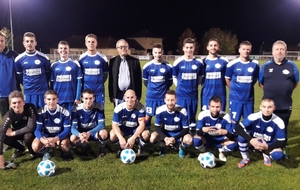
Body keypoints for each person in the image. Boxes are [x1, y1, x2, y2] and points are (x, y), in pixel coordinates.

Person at [259, 40, 299, 157]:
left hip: (284, 104)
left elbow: (296, 82)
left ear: (285, 52)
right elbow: (261, 83)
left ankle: (282, 146)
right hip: (268, 106)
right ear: (272, 52)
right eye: (277, 49)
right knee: (266, 126)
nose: (279, 51)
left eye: (282, 49)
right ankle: (265, 148)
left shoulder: (292, 66)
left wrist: (285, 91)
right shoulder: (265, 66)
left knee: (283, 127)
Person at [235, 98, 286, 168]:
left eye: (269, 107)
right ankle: (245, 158)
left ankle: (266, 155)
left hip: (268, 143)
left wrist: (268, 147)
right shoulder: (254, 116)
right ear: (260, 107)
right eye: (264, 107)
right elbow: (238, 128)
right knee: (241, 137)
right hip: (254, 141)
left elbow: (282, 141)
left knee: (278, 155)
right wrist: (251, 140)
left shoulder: (279, 122)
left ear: (274, 108)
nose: (267, 110)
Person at [225, 40, 260, 129]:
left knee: (248, 121)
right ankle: (233, 139)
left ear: (250, 50)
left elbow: (255, 79)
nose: (246, 51)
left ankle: (245, 141)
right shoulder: (232, 64)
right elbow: (227, 78)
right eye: (244, 49)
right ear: (239, 50)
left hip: (249, 99)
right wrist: (233, 88)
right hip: (235, 98)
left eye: (248, 49)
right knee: (234, 121)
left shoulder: (255, 64)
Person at [172, 38, 204, 133]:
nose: (189, 50)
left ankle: (192, 136)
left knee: (192, 116)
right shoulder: (178, 62)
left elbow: (200, 77)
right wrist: (180, 87)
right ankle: (180, 137)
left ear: (194, 48)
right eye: (187, 47)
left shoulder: (199, 63)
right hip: (181, 95)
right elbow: (174, 77)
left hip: (193, 95)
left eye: (191, 47)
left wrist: (193, 86)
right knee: (180, 116)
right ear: (183, 48)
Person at [150, 90, 192, 158]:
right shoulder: (160, 110)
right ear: (165, 100)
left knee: (189, 140)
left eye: (172, 100)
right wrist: (165, 138)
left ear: (176, 100)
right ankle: (163, 145)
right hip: (165, 134)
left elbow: (186, 128)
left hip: (178, 134)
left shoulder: (182, 110)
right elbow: (157, 127)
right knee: (152, 138)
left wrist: (174, 138)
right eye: (168, 100)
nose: (170, 103)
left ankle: (181, 147)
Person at [193, 95, 237, 162]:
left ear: (221, 107)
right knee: (196, 140)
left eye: (217, 107)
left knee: (234, 144)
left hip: (221, 141)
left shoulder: (226, 116)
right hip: (207, 139)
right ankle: (204, 151)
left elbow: (232, 136)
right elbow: (198, 132)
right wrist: (203, 130)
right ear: (209, 107)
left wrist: (225, 132)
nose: (215, 109)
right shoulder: (203, 114)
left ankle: (222, 151)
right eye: (213, 107)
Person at [0, 91, 36, 169]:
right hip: (18, 132)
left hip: (31, 133)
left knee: (28, 136)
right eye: (14, 103)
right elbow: (1, 135)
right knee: (4, 135)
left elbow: (30, 127)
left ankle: (33, 152)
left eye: (19, 102)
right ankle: (21, 148)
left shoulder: (30, 108)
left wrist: (13, 133)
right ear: (10, 105)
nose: (17, 105)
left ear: (24, 102)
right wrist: (0, 155)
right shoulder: (9, 115)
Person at [15, 32, 51, 110]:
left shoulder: (44, 58)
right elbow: (19, 76)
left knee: (43, 114)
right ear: (23, 43)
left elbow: (48, 74)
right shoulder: (19, 59)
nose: (29, 43)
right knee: (31, 115)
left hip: (42, 92)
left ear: (35, 43)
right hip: (28, 92)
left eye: (32, 41)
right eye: (27, 41)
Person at [32, 90, 72, 160]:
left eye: (54, 99)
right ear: (45, 101)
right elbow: (37, 130)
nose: (51, 102)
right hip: (46, 136)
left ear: (57, 100)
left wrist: (56, 139)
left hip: (59, 136)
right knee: (35, 147)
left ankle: (63, 151)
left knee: (64, 146)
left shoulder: (64, 112)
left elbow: (67, 130)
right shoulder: (40, 112)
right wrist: (43, 139)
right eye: (49, 99)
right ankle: (47, 150)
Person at [110, 89, 149, 156]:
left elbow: (142, 125)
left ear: (136, 98)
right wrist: (120, 138)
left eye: (132, 97)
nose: (130, 100)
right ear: (124, 98)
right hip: (124, 128)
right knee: (112, 135)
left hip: (135, 129)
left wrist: (133, 137)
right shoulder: (118, 108)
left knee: (146, 134)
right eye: (128, 97)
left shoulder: (141, 108)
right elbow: (114, 124)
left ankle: (140, 146)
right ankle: (122, 146)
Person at [143, 43, 173, 129]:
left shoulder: (169, 67)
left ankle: (163, 137)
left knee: (164, 117)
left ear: (162, 52)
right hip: (151, 97)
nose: (158, 55)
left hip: (163, 98)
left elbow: (170, 82)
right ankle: (146, 135)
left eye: (159, 52)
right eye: (155, 52)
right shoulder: (147, 67)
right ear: (152, 52)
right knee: (148, 117)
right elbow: (145, 82)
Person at [71, 89, 108, 157]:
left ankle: (101, 149)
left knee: (104, 133)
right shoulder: (76, 109)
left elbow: (101, 125)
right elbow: (73, 128)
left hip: (94, 133)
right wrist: (80, 135)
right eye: (86, 98)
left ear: (94, 98)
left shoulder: (99, 106)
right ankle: (83, 146)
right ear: (82, 99)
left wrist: (89, 133)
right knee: (72, 138)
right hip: (82, 134)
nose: (88, 101)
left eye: (90, 98)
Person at [50, 41, 82, 113]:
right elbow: (51, 85)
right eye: (61, 48)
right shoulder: (54, 66)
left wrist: (77, 97)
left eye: (65, 48)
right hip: (58, 100)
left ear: (69, 50)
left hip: (71, 99)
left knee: (71, 121)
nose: (63, 50)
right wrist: (52, 98)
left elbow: (79, 83)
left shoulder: (75, 64)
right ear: (58, 50)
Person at [108, 39, 142, 107]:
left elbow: (139, 80)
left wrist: (138, 95)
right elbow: (111, 80)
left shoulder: (135, 61)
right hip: (118, 95)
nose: (123, 49)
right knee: (118, 115)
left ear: (128, 47)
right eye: (121, 47)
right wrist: (111, 95)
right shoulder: (113, 61)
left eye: (125, 47)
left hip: (131, 95)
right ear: (117, 48)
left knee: (131, 115)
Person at [78, 34, 108, 107]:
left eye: (93, 42)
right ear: (86, 43)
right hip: (86, 93)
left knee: (99, 113)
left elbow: (105, 74)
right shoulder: (81, 58)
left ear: (96, 43)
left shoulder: (103, 58)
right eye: (89, 42)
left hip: (99, 92)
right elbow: (80, 75)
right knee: (86, 113)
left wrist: (98, 83)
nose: (91, 43)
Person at [201, 38, 228, 111]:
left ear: (218, 47)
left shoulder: (224, 61)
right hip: (207, 94)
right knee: (206, 117)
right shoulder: (203, 62)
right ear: (207, 47)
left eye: (215, 45)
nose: (213, 47)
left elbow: (227, 78)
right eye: (211, 45)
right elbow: (200, 79)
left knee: (220, 117)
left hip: (220, 94)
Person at [0, 31, 20, 119]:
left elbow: (20, 73)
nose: (0, 43)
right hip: (1, 95)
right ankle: (6, 133)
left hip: (13, 93)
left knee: (17, 116)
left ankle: (19, 132)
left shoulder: (13, 55)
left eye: (2, 41)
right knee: (5, 118)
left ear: (5, 41)